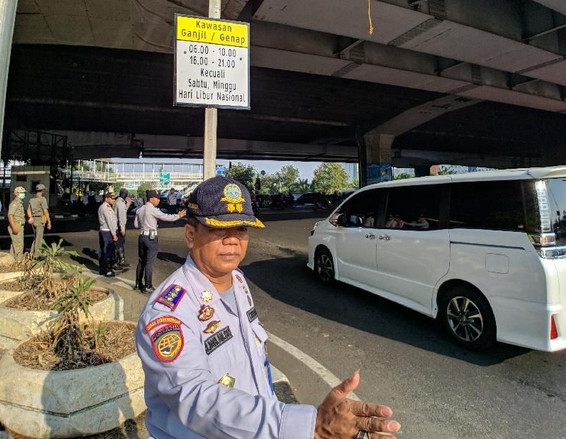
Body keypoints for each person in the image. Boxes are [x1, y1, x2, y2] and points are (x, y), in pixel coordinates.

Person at [136, 176, 401, 439]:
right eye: (218, 229)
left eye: (241, 229)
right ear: (191, 235)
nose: (232, 240)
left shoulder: (237, 280)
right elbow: (195, 398)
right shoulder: (169, 312)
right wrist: (312, 426)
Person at [133, 189, 186, 293]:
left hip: (142, 237)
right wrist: (178, 216)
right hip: (151, 238)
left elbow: (136, 225)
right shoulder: (153, 210)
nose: (158, 200)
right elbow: (166, 217)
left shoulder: (139, 210)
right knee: (149, 262)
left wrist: (144, 226)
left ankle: (138, 283)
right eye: (157, 198)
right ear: (151, 198)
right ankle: (148, 285)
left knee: (141, 261)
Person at [97, 191, 118, 277]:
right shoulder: (106, 208)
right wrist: (114, 234)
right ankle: (107, 270)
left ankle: (102, 269)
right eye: (112, 198)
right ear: (106, 198)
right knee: (108, 251)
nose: (113, 200)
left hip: (105, 231)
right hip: (107, 231)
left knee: (103, 251)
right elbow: (109, 222)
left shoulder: (106, 206)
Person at [27, 183, 51, 255]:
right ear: (42, 191)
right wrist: (49, 222)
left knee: (36, 237)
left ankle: (32, 253)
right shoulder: (43, 199)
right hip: (40, 220)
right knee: (39, 238)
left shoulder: (31, 200)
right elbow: (45, 211)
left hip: (34, 220)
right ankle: (37, 255)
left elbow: (28, 210)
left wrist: (31, 217)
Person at [7, 186, 27, 261]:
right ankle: (19, 261)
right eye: (21, 193)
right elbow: (10, 215)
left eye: (24, 193)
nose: (23, 194)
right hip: (16, 225)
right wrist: (14, 227)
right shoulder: (15, 203)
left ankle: (12, 260)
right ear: (16, 193)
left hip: (19, 225)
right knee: (19, 245)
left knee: (15, 244)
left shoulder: (20, 203)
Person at [114, 188, 133, 268]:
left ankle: (121, 260)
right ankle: (116, 262)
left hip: (116, 225)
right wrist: (122, 228)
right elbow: (121, 216)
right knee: (118, 244)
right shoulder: (120, 203)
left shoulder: (117, 201)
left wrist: (128, 204)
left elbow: (123, 211)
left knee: (119, 243)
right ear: (125, 195)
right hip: (119, 226)